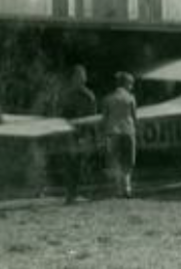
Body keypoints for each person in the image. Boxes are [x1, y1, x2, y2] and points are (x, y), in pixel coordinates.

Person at [59, 65, 97, 204]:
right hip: (70, 135)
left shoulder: (89, 96)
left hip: (84, 135)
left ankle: (82, 194)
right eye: (77, 77)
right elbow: (61, 116)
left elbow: (92, 119)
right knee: (71, 165)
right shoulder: (66, 96)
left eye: (82, 77)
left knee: (84, 165)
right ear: (73, 78)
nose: (80, 80)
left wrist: (90, 137)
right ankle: (71, 195)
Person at [102, 71, 138, 198]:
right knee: (128, 162)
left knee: (115, 160)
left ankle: (118, 189)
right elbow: (134, 117)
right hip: (128, 131)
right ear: (126, 84)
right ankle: (127, 188)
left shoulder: (107, 99)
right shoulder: (131, 98)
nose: (132, 86)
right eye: (131, 84)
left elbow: (104, 119)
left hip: (113, 132)